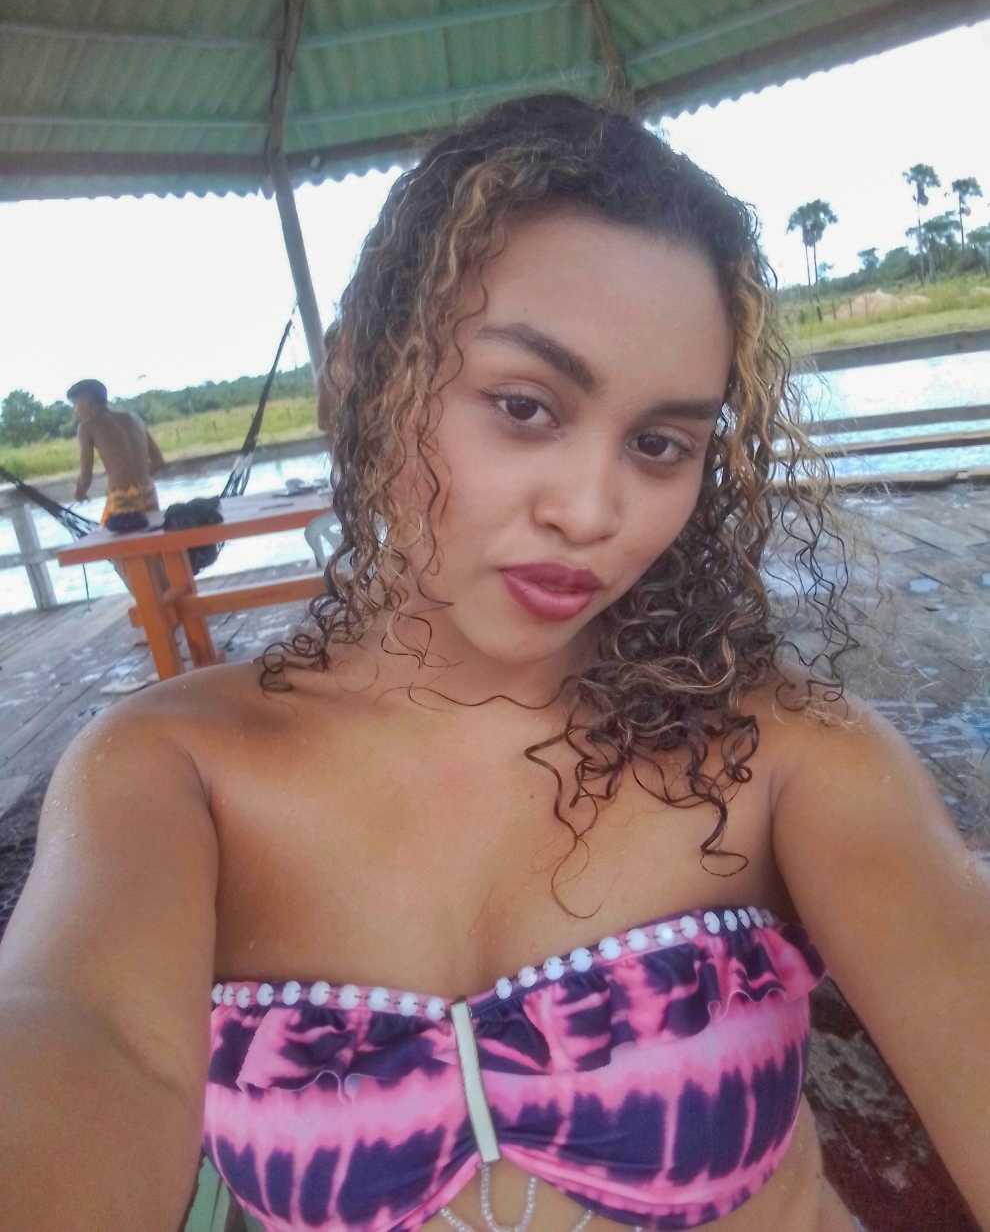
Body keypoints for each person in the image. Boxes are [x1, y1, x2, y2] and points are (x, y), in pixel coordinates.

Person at [1, 95, 988, 1232]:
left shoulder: (782, 753)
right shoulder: (171, 772)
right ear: (360, 379)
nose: (593, 509)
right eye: (524, 406)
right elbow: (90, 1036)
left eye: (659, 443)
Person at [66, 377, 166, 522]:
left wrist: (80, 492)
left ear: (88, 401)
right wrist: (137, 480)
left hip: (121, 498)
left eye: (76, 404)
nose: (76, 412)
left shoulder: (87, 427)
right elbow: (159, 462)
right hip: (148, 492)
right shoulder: (133, 419)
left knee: (122, 536)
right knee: (152, 534)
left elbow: (86, 475)